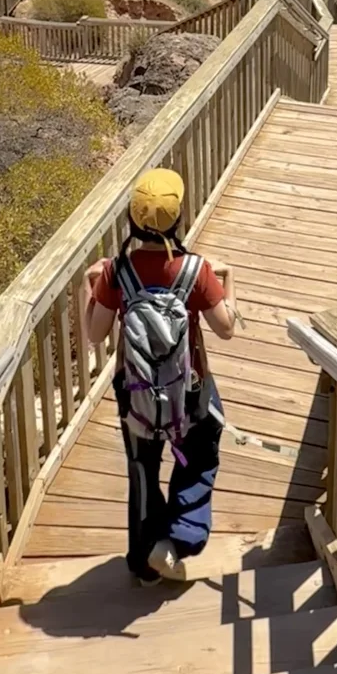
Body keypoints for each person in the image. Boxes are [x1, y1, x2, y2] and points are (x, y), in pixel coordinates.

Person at [83, 166, 238, 583]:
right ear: (179, 217)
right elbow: (226, 329)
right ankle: (181, 535)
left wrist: (90, 287)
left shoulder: (117, 271)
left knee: (142, 469)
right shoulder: (196, 270)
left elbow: (94, 335)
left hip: (134, 390)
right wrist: (229, 283)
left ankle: (144, 561)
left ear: (132, 219)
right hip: (189, 389)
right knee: (199, 454)